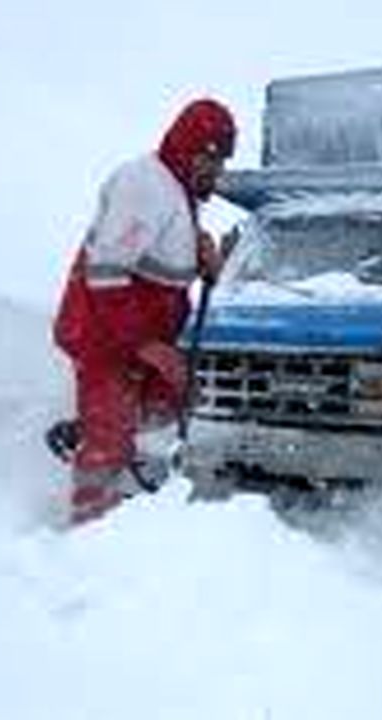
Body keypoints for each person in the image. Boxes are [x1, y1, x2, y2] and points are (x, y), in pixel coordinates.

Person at [51, 98, 236, 525]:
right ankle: (87, 529)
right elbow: (106, 271)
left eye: (223, 161)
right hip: (105, 336)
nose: (218, 171)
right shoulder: (144, 183)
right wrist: (146, 346)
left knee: (168, 408)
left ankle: (99, 451)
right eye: (212, 159)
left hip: (139, 341)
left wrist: (201, 256)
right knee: (111, 438)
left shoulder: (179, 193)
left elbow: (160, 257)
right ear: (190, 149)